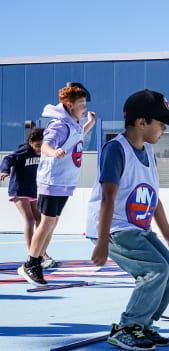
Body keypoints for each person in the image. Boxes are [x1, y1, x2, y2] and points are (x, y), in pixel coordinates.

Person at [87, 90, 169, 350]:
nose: (164, 128)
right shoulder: (116, 150)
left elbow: (154, 200)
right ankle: (128, 327)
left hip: (138, 228)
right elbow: (108, 198)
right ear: (141, 123)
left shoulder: (148, 153)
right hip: (116, 228)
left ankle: (143, 325)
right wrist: (102, 243)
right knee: (155, 270)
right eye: (161, 123)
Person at [17, 86, 96, 286]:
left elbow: (77, 136)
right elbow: (45, 144)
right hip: (52, 181)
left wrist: (89, 124)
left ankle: (35, 261)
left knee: (52, 223)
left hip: (65, 182)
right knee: (46, 223)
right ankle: (31, 264)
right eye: (81, 105)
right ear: (69, 105)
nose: (85, 108)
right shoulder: (59, 125)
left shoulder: (74, 124)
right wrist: (53, 152)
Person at [0, 128, 47, 264]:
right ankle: (32, 254)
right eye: (37, 146)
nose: (39, 149)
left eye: (42, 145)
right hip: (19, 189)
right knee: (30, 219)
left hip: (31, 189)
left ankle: (40, 251)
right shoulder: (25, 150)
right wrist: (4, 170)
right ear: (31, 142)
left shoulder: (43, 153)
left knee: (39, 218)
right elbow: (9, 158)